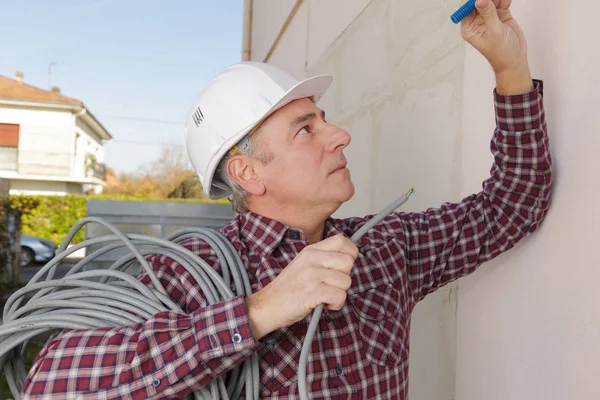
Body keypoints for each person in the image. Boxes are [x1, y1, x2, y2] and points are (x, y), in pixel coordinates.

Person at [21, 0, 552, 398]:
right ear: (248, 172)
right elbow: (50, 383)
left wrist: (509, 68)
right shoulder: (189, 277)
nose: (339, 134)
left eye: (323, 119)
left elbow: (512, 206)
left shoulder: (385, 249)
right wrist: (258, 311)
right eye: (305, 129)